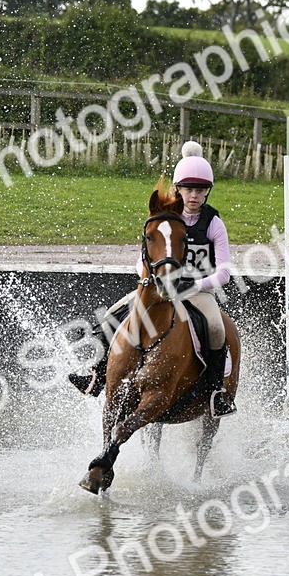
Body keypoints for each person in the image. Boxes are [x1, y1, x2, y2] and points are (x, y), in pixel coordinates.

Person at [68, 140, 237, 418]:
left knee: (217, 329)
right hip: (159, 289)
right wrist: (151, 280)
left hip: (197, 291)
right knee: (113, 315)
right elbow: (142, 259)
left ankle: (217, 392)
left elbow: (224, 272)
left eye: (200, 190)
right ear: (178, 189)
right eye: (188, 189)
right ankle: (96, 376)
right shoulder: (165, 218)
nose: (193, 196)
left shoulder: (214, 224)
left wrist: (194, 285)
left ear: (207, 192)